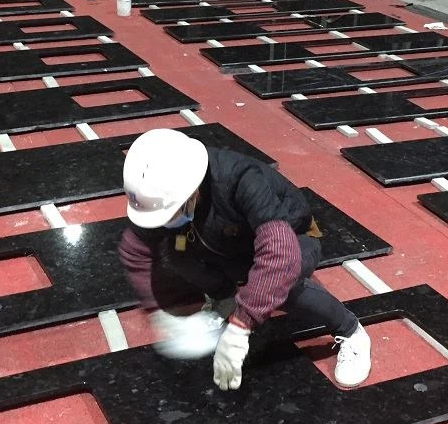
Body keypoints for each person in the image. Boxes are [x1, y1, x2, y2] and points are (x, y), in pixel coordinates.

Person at [118, 128, 371, 391]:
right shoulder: (163, 192)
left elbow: (280, 251)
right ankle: (225, 299)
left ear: (192, 190)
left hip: (293, 237)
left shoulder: (240, 179)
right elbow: (133, 251)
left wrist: (241, 325)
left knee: (281, 281)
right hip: (230, 241)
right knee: (178, 253)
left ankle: (351, 330)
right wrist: (159, 312)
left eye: (172, 212)